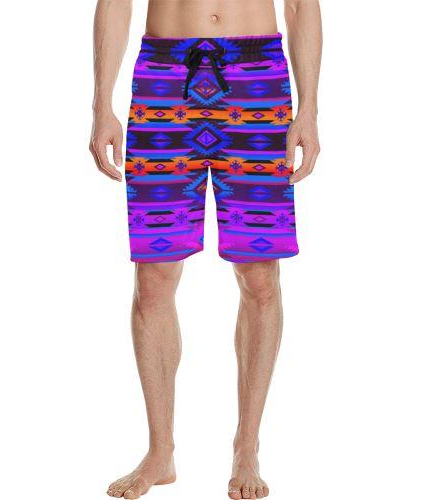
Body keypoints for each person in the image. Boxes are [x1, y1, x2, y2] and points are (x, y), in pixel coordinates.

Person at [89, 1, 322, 498]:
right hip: (164, 76)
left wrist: (309, 109)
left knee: (259, 276)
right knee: (153, 277)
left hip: (257, 78)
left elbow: (301, 4)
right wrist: (101, 104)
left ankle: (247, 447)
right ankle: (160, 452)